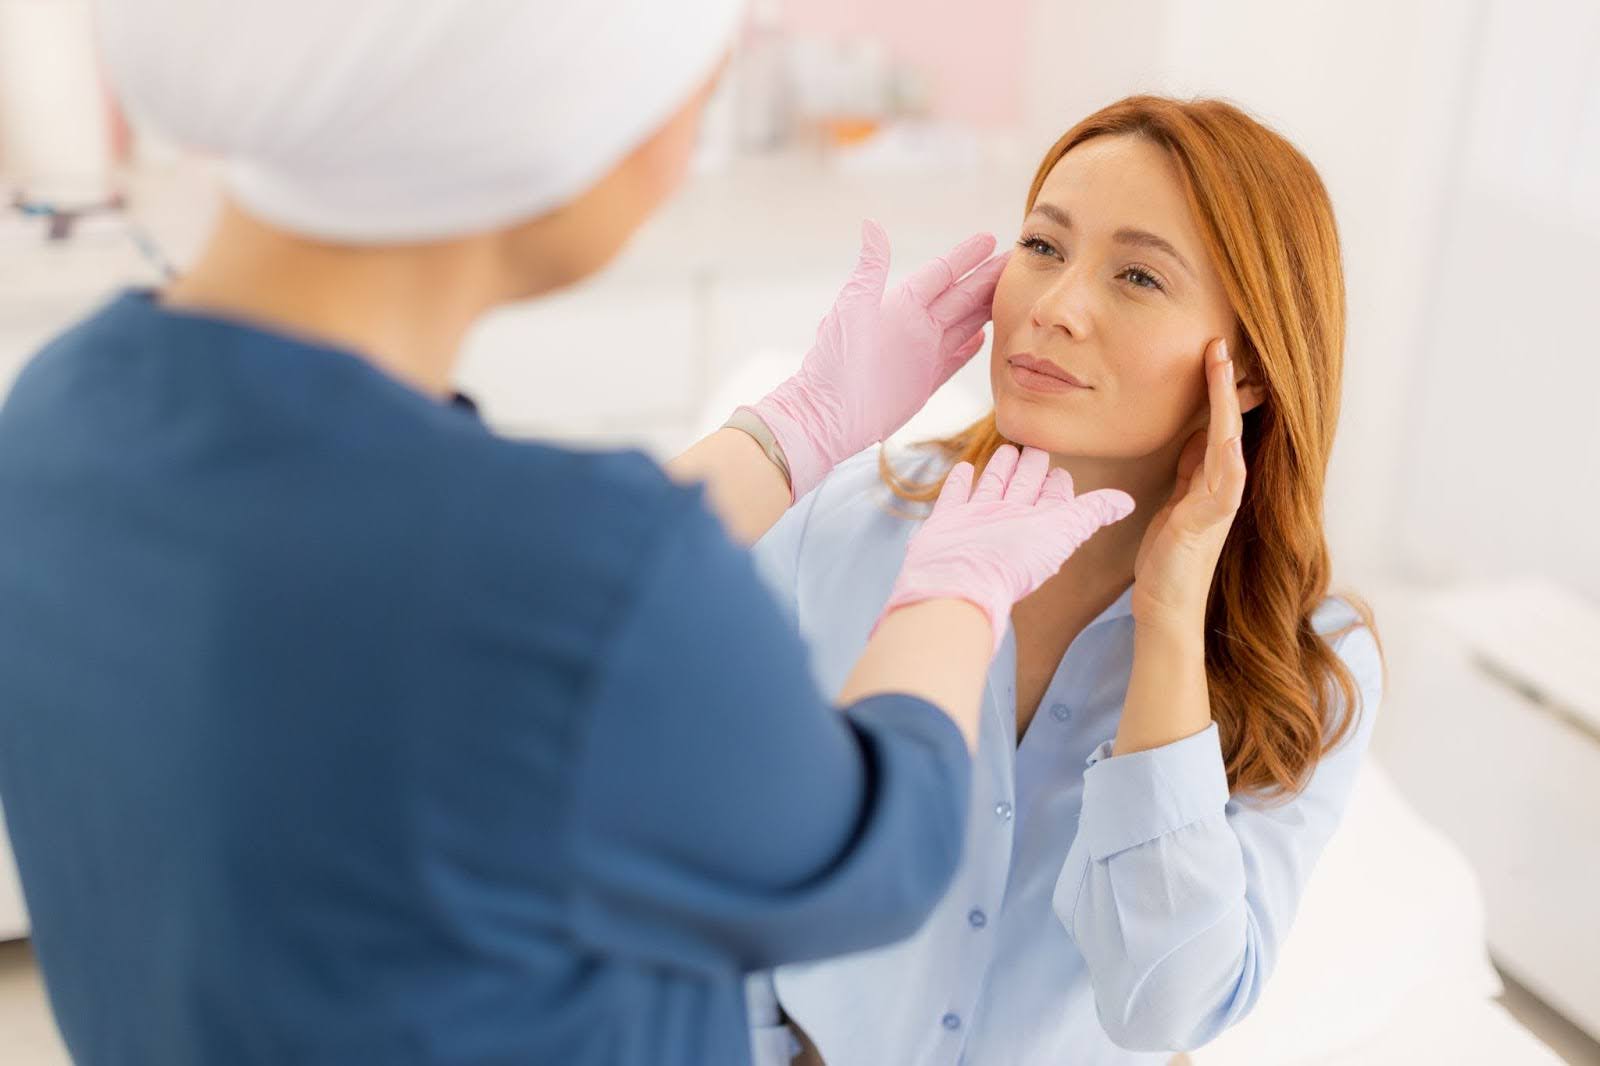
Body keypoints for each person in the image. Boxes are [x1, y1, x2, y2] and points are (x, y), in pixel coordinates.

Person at [0, 3, 1138, 1065]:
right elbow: (880, 855)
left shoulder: (60, 412)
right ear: (557, 113)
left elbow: (499, 615)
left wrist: (792, 432)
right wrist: (952, 593)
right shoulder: (576, 568)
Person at [744, 95, 1386, 1066]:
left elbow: (1163, 1005)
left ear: (1248, 370)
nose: (1052, 307)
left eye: (1136, 275)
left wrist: (1170, 618)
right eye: (1042, 247)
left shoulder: (1314, 660)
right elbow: (718, 864)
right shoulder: (849, 526)